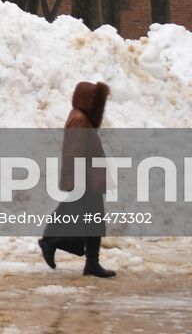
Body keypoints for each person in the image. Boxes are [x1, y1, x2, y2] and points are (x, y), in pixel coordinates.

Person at [38, 80, 116, 278]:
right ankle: (50, 241)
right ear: (87, 100)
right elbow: (74, 152)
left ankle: (91, 263)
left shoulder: (82, 118)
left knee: (92, 220)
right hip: (86, 177)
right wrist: (78, 180)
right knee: (80, 214)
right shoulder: (79, 119)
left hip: (90, 176)